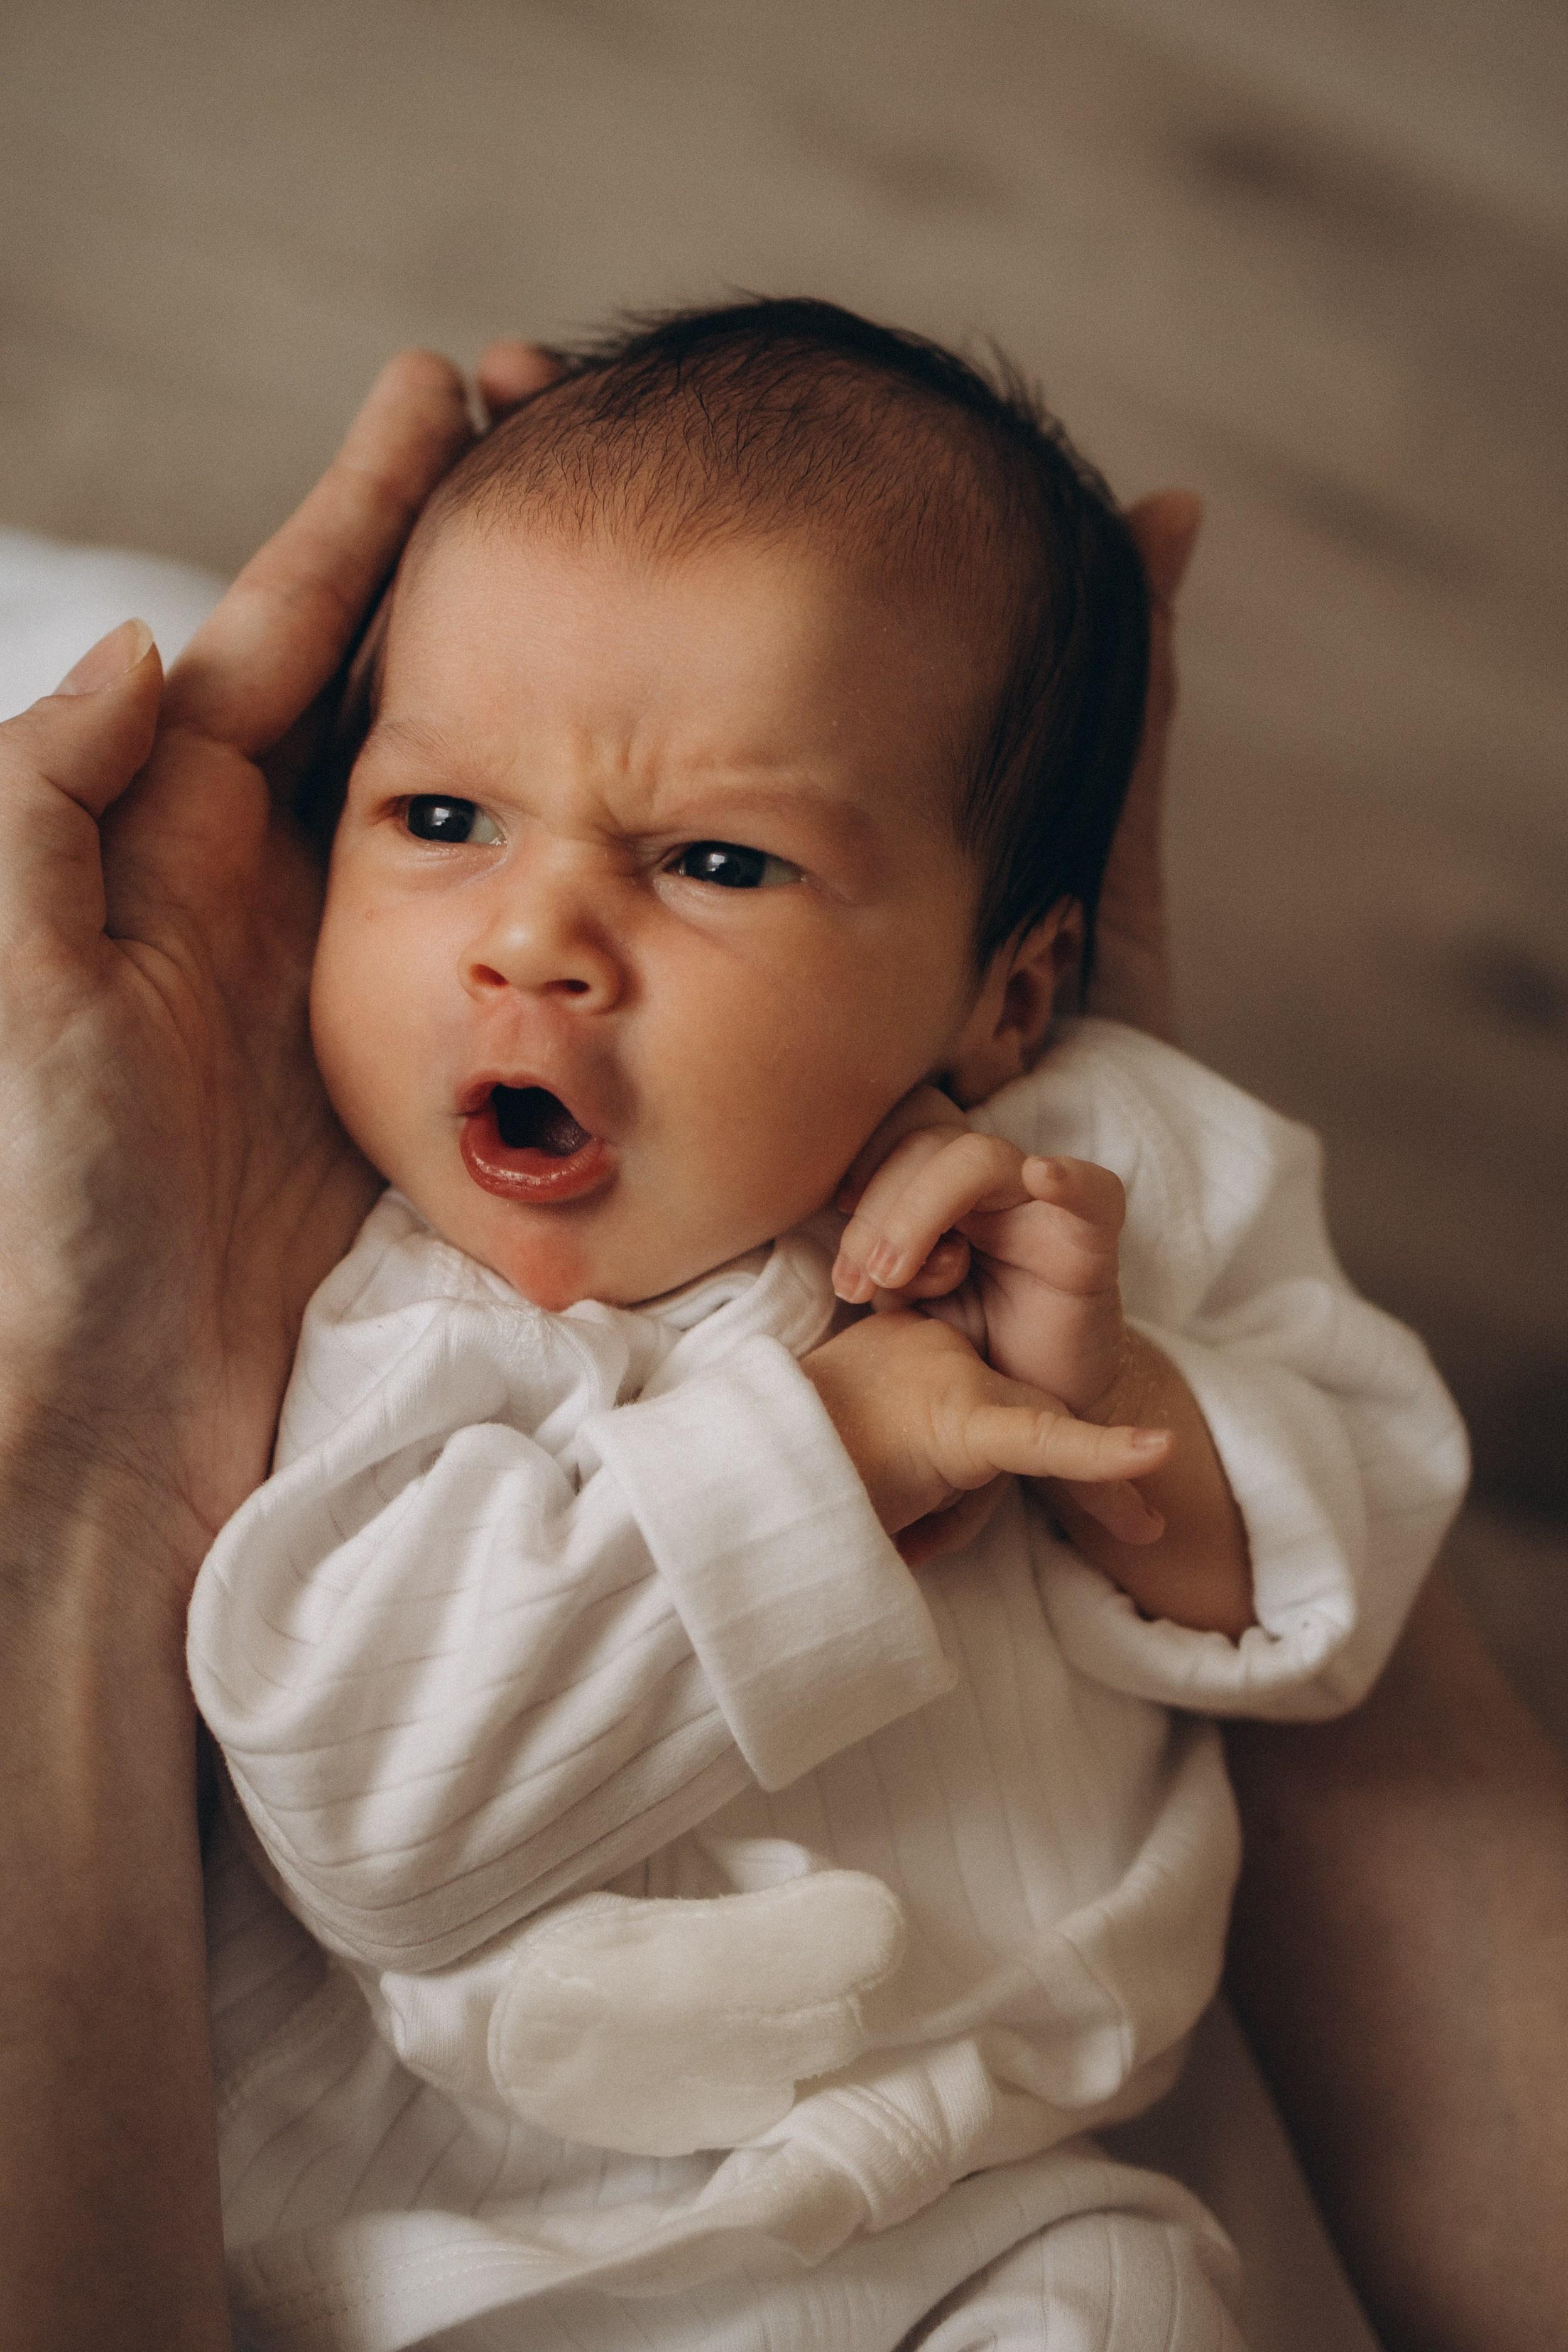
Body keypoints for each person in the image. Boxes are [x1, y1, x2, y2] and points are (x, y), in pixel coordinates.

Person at [0, 327, 1562, 2352]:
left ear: (1012, 996)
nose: (532, 937)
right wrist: (832, 1456)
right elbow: (377, 1814)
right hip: (470, 2283)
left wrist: (1135, 1420)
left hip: (989, 2235)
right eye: (444, 816)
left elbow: (1352, 1562)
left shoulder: (1101, 1169)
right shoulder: (382, 1319)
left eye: (716, 862)